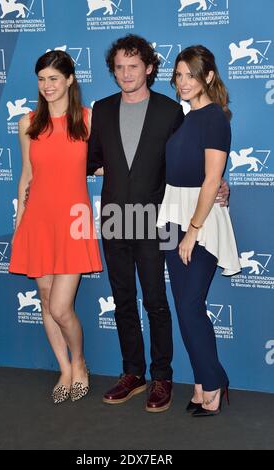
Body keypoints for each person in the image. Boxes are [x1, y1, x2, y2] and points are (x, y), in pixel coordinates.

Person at [87, 35, 229, 412]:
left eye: (134, 66)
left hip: (159, 218)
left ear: (149, 68)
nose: (126, 74)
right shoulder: (100, 110)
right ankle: (132, 372)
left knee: (156, 301)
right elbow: (91, 160)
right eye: (119, 67)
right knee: (122, 300)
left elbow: (191, 160)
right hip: (115, 218)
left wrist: (219, 184)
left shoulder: (172, 111)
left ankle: (162, 376)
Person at [9, 50, 102, 404]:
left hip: (73, 223)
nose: (47, 86)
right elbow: (26, 177)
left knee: (62, 308)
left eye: (53, 78)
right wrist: (19, 225)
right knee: (46, 302)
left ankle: (80, 362)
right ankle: (64, 369)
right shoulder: (27, 123)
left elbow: (108, 163)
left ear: (69, 80)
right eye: (42, 79)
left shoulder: (88, 119)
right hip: (37, 222)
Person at [157, 45, 241, 417]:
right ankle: (202, 382)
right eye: (178, 75)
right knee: (185, 308)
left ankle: (214, 381)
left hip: (199, 222)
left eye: (191, 74)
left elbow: (211, 181)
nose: (183, 81)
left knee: (191, 306)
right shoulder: (183, 117)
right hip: (169, 215)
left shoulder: (215, 119)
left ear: (208, 76)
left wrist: (192, 231)